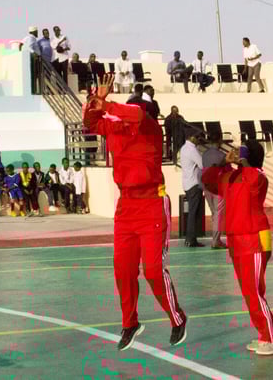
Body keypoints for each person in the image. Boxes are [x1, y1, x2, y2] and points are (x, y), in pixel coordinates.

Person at [83, 73, 187, 351]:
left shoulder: (151, 128)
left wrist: (108, 105)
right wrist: (95, 102)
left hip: (152, 202)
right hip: (126, 205)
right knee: (123, 269)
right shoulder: (116, 128)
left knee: (152, 270)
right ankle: (130, 323)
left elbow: (137, 115)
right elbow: (90, 123)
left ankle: (177, 318)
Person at [201, 141, 273, 355]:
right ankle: (265, 334)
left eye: (243, 151)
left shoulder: (258, 175)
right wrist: (222, 161)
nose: (237, 154)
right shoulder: (230, 177)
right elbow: (207, 181)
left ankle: (272, 337)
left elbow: (254, 180)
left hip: (254, 237)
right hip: (236, 238)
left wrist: (245, 161)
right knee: (249, 292)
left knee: (254, 291)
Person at [180, 128, 205, 247]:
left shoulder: (184, 148)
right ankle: (191, 239)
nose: (199, 140)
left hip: (187, 183)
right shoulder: (192, 150)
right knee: (193, 213)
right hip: (194, 184)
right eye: (197, 137)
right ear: (192, 137)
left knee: (192, 212)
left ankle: (190, 238)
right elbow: (202, 164)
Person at [201, 133, 227, 249]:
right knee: (218, 214)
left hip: (206, 186)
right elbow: (226, 171)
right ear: (219, 141)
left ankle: (216, 239)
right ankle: (216, 240)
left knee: (214, 213)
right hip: (217, 188)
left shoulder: (204, 154)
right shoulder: (222, 155)